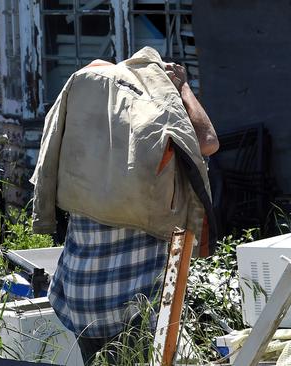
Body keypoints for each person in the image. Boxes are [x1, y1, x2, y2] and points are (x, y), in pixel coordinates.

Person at [30, 47, 218, 365]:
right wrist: (182, 87)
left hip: (80, 297)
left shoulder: (80, 134)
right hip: (133, 302)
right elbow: (208, 141)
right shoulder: (156, 129)